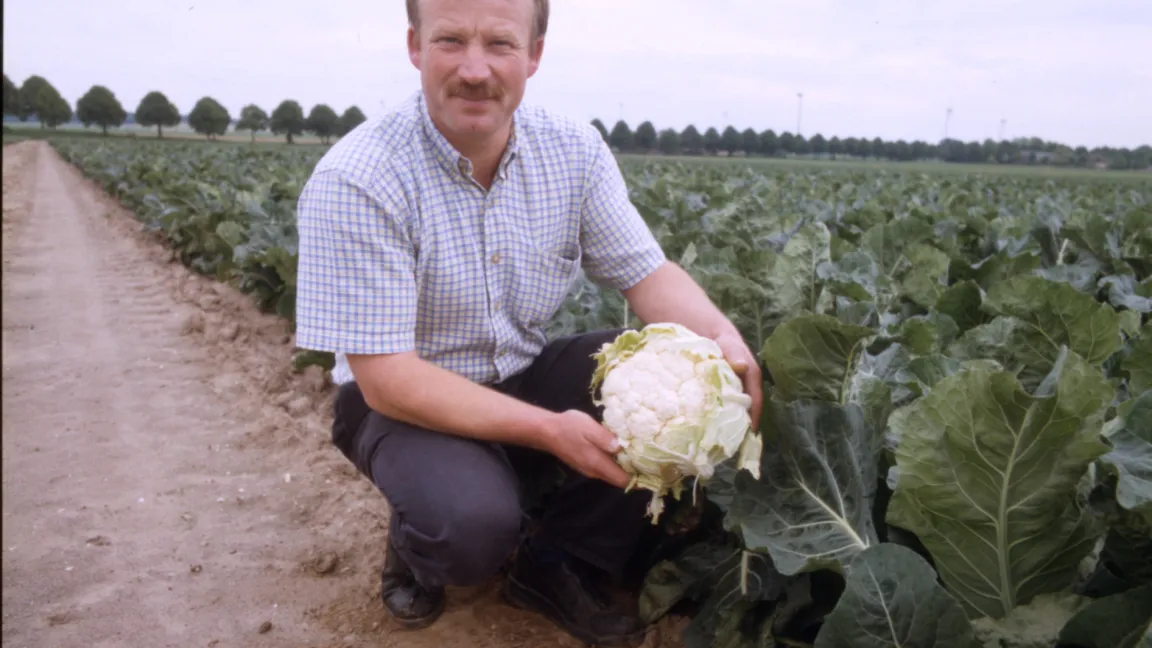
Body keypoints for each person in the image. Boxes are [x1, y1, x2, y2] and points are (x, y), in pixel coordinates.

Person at [293, 0, 762, 645]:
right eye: (451, 40)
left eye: (500, 44)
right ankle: (418, 543)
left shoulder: (572, 150)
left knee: (675, 393)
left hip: (521, 371)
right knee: (470, 527)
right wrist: (548, 432)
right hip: (401, 404)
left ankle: (554, 561)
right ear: (414, 46)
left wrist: (724, 344)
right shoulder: (358, 178)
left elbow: (646, 274)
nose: (476, 69)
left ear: (534, 54)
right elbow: (388, 381)